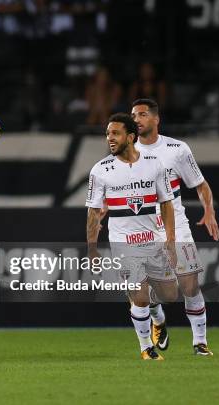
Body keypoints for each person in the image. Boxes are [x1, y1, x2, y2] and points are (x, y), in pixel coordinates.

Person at [86, 113, 177, 360]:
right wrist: (92, 249)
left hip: (154, 238)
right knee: (139, 296)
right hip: (123, 243)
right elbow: (94, 212)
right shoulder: (101, 170)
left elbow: (167, 203)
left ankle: (159, 319)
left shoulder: (154, 164)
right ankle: (146, 347)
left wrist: (170, 239)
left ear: (131, 136)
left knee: (167, 295)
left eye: (115, 133)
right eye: (107, 134)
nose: (110, 138)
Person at [132, 98, 216, 356]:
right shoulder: (126, 151)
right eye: (133, 115)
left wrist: (209, 211)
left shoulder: (176, 149)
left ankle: (199, 342)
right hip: (143, 226)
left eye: (142, 114)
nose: (136, 119)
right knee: (147, 288)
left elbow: (199, 184)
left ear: (156, 119)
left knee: (190, 285)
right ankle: (158, 321)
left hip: (176, 224)